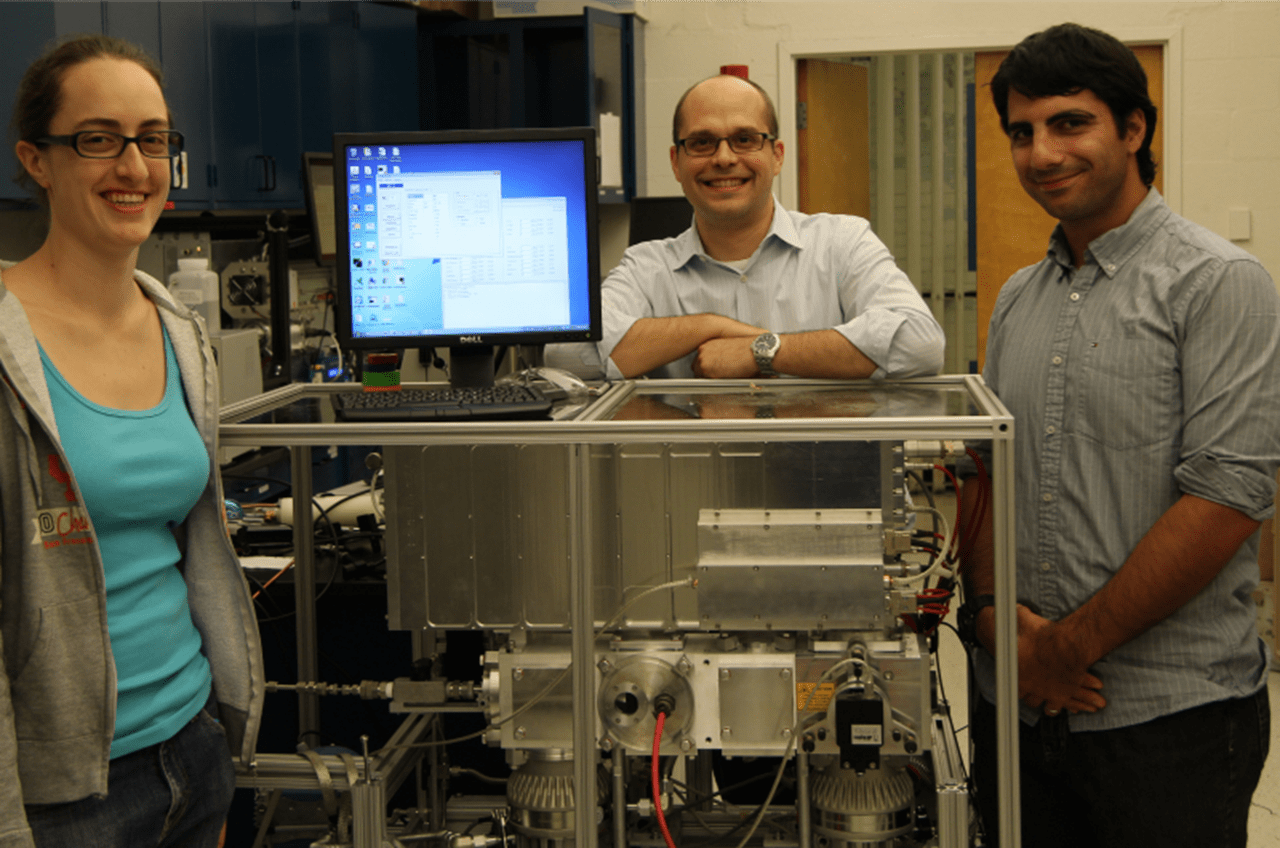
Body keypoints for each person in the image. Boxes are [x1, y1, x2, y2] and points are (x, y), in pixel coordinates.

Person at [958, 22, 1278, 848]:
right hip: (1016, 708)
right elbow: (985, 471)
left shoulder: (1219, 284)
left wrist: (1066, 649)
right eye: (1022, 132)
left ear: (1134, 128)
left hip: (1168, 723)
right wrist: (992, 620)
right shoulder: (1017, 298)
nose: (1042, 153)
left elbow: (1227, 498)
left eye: (1070, 123)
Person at [0, 35, 263, 848]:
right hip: (67, 792)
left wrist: (213, 734)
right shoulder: (6, 342)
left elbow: (186, 545)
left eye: (152, 139)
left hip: (192, 746)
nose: (133, 167)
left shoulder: (179, 330)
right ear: (37, 161)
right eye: (98, 139)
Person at [596, 73, 944, 380]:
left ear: (777, 156)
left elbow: (919, 343)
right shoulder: (645, 269)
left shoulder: (842, 243)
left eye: (745, 139)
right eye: (702, 143)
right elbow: (573, 354)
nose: (724, 158)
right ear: (676, 162)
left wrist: (761, 351)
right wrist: (709, 325)